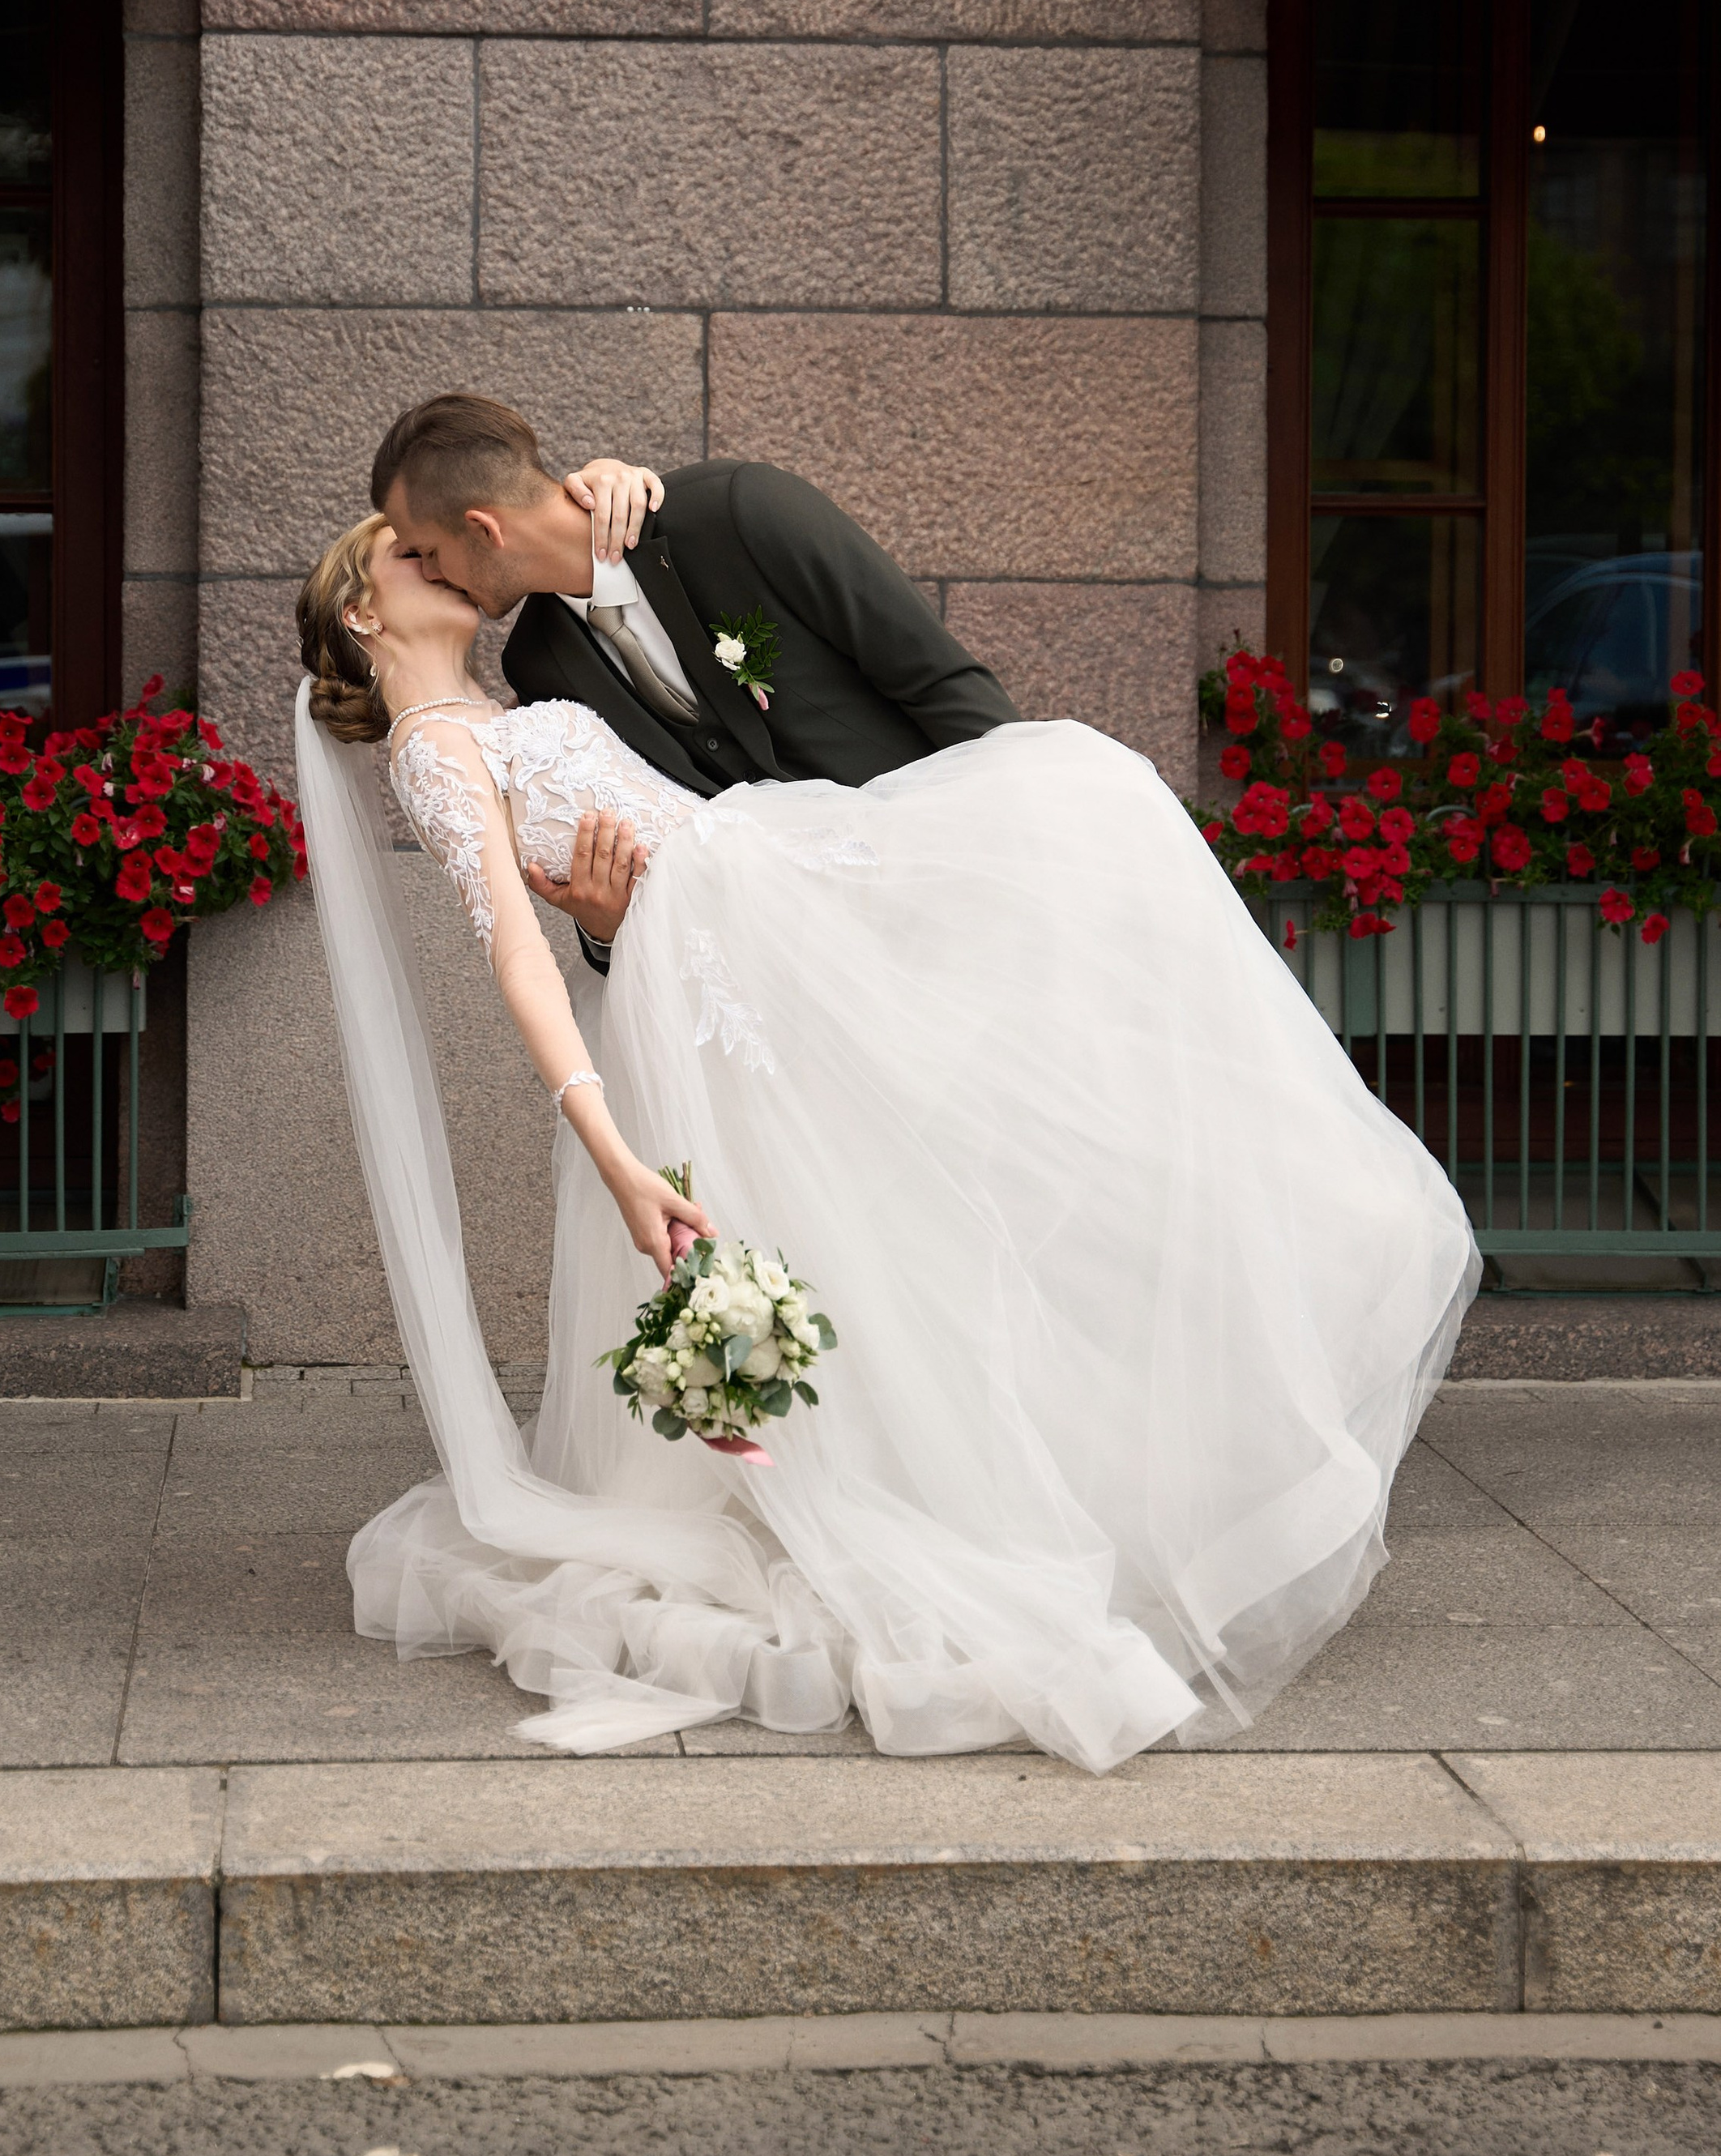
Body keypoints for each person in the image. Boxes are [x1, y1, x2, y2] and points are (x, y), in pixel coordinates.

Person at [291, 430, 1480, 1771]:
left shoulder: (663, 567)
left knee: (1082, 803)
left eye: (429, 539)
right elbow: (529, 943)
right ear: (364, 605)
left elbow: (923, 700)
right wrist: (617, 1129)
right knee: (895, 1238)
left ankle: (1197, 1389)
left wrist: (1009, 881)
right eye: (409, 555)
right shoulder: (473, 723)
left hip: (820, 899)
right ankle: (987, 1506)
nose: (434, 559)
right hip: (745, 956)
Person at [374, 394, 1019, 969]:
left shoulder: (739, 512)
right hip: (813, 975)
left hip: (956, 889)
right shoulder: (538, 665)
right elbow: (637, 855)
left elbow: (946, 685)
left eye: (428, 551)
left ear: (484, 529)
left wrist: (1019, 869)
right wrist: (602, 928)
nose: (432, 574)